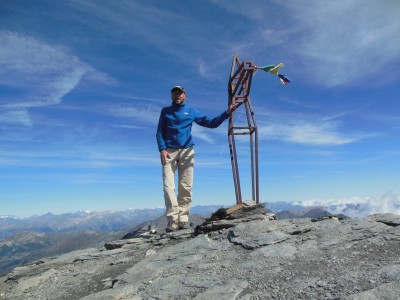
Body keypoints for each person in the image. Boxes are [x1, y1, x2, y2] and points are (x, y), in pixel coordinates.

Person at [156, 85, 236, 232]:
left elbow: (210, 123)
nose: (177, 95)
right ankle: (173, 220)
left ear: (185, 95)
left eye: (180, 93)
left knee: (186, 186)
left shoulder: (191, 111)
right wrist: (162, 149)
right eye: (174, 93)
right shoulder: (165, 111)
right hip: (169, 151)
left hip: (187, 150)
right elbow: (160, 132)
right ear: (172, 97)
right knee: (168, 186)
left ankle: (184, 219)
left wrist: (227, 113)